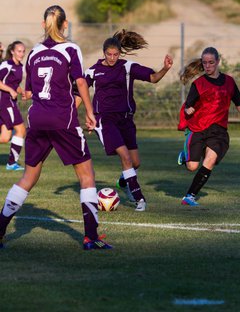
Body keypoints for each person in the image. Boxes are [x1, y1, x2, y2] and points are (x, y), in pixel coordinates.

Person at [0, 5, 112, 250]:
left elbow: (29, 91)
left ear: (43, 25)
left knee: (28, 177)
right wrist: (91, 113)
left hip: (37, 119)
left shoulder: (34, 53)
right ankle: (91, 237)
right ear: (65, 25)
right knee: (86, 176)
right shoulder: (71, 49)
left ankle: (0, 229)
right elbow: (81, 82)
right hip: (63, 120)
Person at [85, 29, 173, 212]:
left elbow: (153, 78)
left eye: (115, 54)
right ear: (104, 53)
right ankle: (139, 198)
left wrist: (165, 68)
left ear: (119, 53)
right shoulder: (93, 71)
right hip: (106, 120)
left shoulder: (127, 67)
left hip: (126, 119)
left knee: (135, 163)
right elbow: (80, 92)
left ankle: (124, 182)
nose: (112, 58)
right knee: (125, 157)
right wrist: (87, 115)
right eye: (109, 54)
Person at [178, 46, 240, 206]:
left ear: (218, 62)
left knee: (210, 160)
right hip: (197, 128)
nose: (207, 66)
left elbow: (238, 103)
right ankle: (185, 156)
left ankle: (189, 196)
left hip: (218, 130)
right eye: (204, 63)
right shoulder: (198, 84)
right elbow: (188, 106)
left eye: (211, 62)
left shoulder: (229, 82)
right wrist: (189, 109)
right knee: (192, 167)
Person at [0, 41, 26, 171]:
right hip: (4, 102)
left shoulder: (19, 66)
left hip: (10, 102)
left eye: (23, 51)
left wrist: (22, 92)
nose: (21, 54)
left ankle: (12, 163)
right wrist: (10, 90)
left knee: (5, 138)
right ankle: (12, 163)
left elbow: (14, 84)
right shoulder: (6, 65)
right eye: (19, 51)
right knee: (21, 130)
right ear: (12, 51)